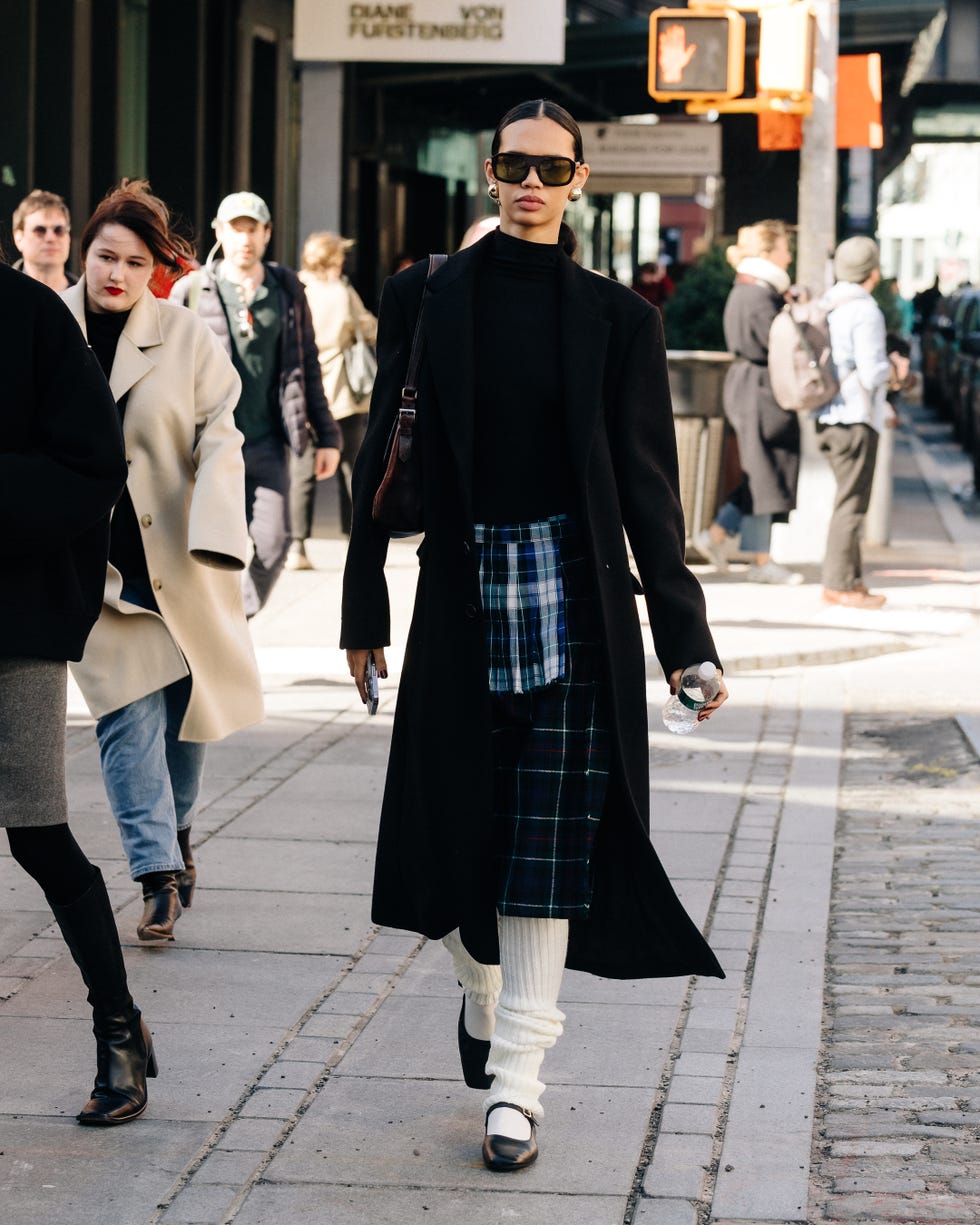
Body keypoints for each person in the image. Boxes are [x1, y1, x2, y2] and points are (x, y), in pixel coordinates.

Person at [341, 99, 728, 1173]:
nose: (528, 183)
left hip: (576, 604)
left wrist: (684, 640)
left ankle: (517, 1084)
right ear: (488, 171)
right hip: (462, 597)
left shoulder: (617, 320)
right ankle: (477, 991)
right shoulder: (424, 294)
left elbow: (650, 494)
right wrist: (360, 607)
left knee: (544, 857)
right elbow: (383, 456)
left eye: (549, 170)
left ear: (578, 181)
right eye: (512, 165)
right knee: (458, 841)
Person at [63, 180, 264, 942]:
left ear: (157, 268)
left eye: (134, 261)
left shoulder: (183, 334)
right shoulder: (50, 329)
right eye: (104, 256)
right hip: (92, 564)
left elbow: (221, 426)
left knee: (188, 713)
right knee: (124, 716)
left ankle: (177, 836)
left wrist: (219, 525)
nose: (115, 273)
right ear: (85, 254)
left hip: (177, 552)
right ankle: (154, 875)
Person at [1, 258, 157, 1125]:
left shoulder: (33, 318)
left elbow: (92, 464)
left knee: (37, 832)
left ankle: (117, 1025)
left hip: (15, 620)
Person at [169, 192, 341, 613]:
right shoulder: (190, 290)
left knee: (273, 542)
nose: (244, 238)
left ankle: (234, 620)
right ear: (219, 232)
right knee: (204, 549)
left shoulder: (285, 288)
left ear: (266, 233)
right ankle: (206, 633)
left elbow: (306, 365)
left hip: (266, 443)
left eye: (253, 228)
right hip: (205, 446)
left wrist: (328, 435)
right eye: (235, 228)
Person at [694, 220, 804, 584]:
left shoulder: (749, 289)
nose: (789, 256)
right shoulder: (759, 295)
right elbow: (781, 346)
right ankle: (760, 562)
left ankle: (717, 535)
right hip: (760, 388)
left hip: (750, 386)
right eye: (784, 249)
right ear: (769, 253)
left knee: (761, 468)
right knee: (766, 471)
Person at [815, 236, 899, 609]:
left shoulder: (828, 302)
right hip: (855, 417)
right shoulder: (865, 310)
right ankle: (838, 585)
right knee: (851, 505)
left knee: (849, 500)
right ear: (873, 273)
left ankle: (852, 579)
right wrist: (896, 370)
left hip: (826, 413)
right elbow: (872, 371)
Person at [286, 231, 378, 562]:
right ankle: (356, 539)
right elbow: (365, 328)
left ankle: (297, 546)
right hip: (341, 393)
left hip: (304, 392)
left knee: (301, 470)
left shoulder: (295, 287)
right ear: (334, 260)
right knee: (352, 468)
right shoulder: (340, 293)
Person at [12, 188, 76, 291]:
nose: (50, 238)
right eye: (40, 230)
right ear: (19, 238)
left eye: (58, 230)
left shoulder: (88, 299)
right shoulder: (4, 289)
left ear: (68, 238)